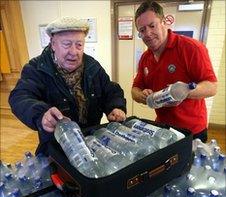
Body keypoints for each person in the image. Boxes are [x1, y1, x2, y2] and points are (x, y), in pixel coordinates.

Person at [9, 17, 126, 155]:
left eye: (79, 45)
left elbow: (110, 89)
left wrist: (116, 106)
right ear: (53, 44)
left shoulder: (92, 66)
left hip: (92, 142)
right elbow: (20, 96)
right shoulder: (36, 68)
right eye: (67, 44)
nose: (74, 52)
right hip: (57, 147)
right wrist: (41, 114)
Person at [132, 1, 217, 142]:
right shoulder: (145, 57)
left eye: (152, 26)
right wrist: (143, 96)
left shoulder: (191, 48)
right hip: (162, 128)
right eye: (142, 30)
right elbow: (135, 89)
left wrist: (184, 91)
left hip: (192, 131)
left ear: (164, 22)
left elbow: (212, 87)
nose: (148, 33)